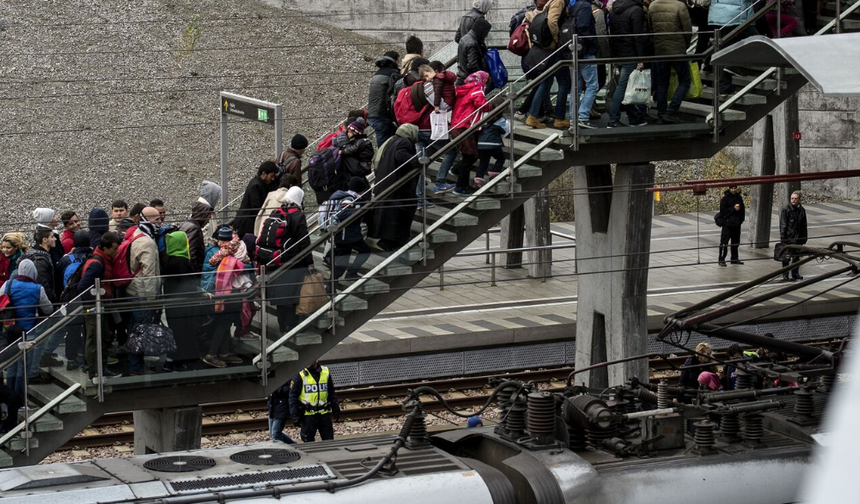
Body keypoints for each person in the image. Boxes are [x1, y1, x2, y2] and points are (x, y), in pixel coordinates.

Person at [2, 259, 54, 395]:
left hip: (10, 330)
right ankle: (20, 400)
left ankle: (10, 396)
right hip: (28, 332)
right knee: (24, 367)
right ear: (33, 272)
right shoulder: (37, 288)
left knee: (12, 365)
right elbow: (48, 309)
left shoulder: (8, 284)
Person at [268, 187, 314, 334]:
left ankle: (282, 326)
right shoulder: (298, 216)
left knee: (281, 296)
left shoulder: (276, 212)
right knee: (293, 294)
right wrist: (309, 261)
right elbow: (304, 241)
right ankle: (292, 327)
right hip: (294, 262)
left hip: (277, 260)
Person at [77, 231, 123, 379]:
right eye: (114, 249)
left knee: (101, 337)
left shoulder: (101, 259)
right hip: (94, 307)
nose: (116, 252)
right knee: (95, 339)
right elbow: (82, 287)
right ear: (105, 248)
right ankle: (95, 371)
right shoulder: (97, 264)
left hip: (99, 305)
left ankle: (99, 369)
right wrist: (94, 303)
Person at [370, 124, 421, 250]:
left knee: (390, 213)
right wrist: (417, 161)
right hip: (396, 186)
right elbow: (401, 155)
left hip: (385, 183)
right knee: (401, 212)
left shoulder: (392, 141)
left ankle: (387, 241)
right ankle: (393, 242)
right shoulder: (404, 142)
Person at [125, 207, 162, 376]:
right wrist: (151, 299)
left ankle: (135, 365)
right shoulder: (147, 242)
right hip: (141, 294)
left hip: (132, 290)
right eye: (156, 220)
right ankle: (136, 368)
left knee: (134, 329)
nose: (160, 222)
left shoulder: (136, 234)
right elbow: (149, 273)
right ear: (146, 220)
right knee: (139, 330)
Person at [524, 0, 571, 130]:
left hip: (548, 50)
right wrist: (557, 39)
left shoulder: (550, 2)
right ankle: (559, 118)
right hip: (554, 49)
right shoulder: (558, 1)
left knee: (546, 81)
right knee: (563, 83)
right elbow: (551, 21)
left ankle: (532, 115)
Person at [162, 230, 203, 370]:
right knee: (185, 334)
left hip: (172, 304)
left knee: (177, 333)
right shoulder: (182, 262)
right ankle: (180, 362)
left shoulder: (168, 259)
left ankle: (171, 361)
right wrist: (200, 293)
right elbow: (188, 283)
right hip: (183, 305)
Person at [649, 0, 693, 124]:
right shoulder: (679, 6)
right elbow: (687, 30)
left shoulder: (653, 6)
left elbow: (651, 28)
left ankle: (661, 113)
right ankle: (672, 110)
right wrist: (685, 45)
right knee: (685, 80)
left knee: (662, 83)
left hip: (660, 49)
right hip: (677, 50)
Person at [607, 0, 650, 127]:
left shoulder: (614, 10)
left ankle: (634, 117)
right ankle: (613, 119)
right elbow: (637, 36)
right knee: (623, 87)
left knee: (626, 87)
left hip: (618, 52)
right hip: (630, 53)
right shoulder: (636, 10)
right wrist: (640, 58)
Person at [324, 177, 371, 290]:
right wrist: (359, 210)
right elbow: (342, 214)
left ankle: (335, 284)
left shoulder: (345, 196)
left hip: (346, 235)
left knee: (343, 261)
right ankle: (332, 287)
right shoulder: (350, 199)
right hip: (347, 236)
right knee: (362, 252)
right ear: (359, 190)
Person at [449, 71, 492, 195]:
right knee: (470, 156)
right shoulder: (477, 89)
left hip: (457, 125)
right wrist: (490, 107)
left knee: (468, 155)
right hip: (465, 126)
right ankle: (461, 186)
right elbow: (481, 104)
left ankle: (457, 170)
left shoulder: (464, 89)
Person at [57, 229, 92, 370]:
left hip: (72, 299)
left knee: (73, 330)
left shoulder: (66, 259)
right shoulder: (92, 256)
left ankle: (71, 359)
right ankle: (86, 360)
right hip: (89, 298)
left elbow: (59, 280)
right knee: (89, 330)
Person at [708, 0, 758, 97]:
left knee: (724, 51)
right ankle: (732, 65)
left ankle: (724, 87)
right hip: (736, 15)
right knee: (757, 41)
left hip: (719, 14)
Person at [289, 359, 340, 442]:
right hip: (308, 415)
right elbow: (292, 397)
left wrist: (335, 408)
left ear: (316, 359)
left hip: (324, 414)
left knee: (329, 442)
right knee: (308, 443)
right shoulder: (300, 374)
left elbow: (331, 392)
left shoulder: (325, 371)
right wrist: (294, 415)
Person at [571, 0, 602, 129]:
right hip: (586, 51)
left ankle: (574, 117)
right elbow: (583, 26)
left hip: (575, 51)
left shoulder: (573, 5)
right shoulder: (585, 6)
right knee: (593, 85)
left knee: (576, 87)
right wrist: (592, 41)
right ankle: (582, 116)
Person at [233, 162, 279, 239]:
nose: (273, 179)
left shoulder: (257, 183)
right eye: (271, 176)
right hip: (246, 225)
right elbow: (256, 208)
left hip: (246, 223)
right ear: (264, 174)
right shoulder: (256, 186)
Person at [367, 50, 401, 147]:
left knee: (397, 136)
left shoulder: (377, 74)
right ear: (394, 61)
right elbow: (397, 91)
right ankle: (381, 161)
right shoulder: (393, 74)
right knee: (383, 148)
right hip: (382, 116)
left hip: (372, 116)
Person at [779, 191, 808, 281]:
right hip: (789, 238)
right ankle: (785, 275)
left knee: (797, 257)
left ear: (799, 200)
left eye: (795, 198)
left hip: (798, 238)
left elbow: (804, 225)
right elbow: (783, 225)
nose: (793, 200)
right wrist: (783, 238)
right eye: (792, 198)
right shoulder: (786, 209)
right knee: (786, 258)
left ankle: (795, 273)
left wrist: (804, 237)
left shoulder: (801, 210)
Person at [455, 18, 492, 86]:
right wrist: (481, 77)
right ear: (481, 30)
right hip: (468, 80)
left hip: (462, 76)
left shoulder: (464, 38)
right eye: (486, 32)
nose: (486, 35)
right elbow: (472, 64)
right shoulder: (472, 43)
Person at [178, 202, 214, 271]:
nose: (208, 222)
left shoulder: (187, 224)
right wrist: (196, 271)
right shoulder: (194, 228)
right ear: (203, 216)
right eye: (208, 218)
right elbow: (191, 252)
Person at [475, 117, 508, 187]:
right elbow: (504, 131)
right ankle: (495, 172)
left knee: (483, 162)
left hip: (481, 144)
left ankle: (479, 179)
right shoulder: (501, 119)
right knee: (501, 158)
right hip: (494, 144)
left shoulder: (484, 119)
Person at [718, 185, 745, 266]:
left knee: (735, 243)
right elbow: (723, 211)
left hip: (736, 224)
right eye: (732, 188)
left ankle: (734, 258)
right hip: (727, 224)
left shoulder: (739, 197)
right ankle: (721, 259)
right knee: (724, 242)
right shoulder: (725, 199)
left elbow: (742, 209)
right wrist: (733, 209)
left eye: (735, 188)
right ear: (729, 189)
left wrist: (741, 220)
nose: (733, 190)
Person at [267, 379, 297, 444]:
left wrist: (279, 390)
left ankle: (291, 444)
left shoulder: (286, 377)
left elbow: (290, 390)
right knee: (273, 434)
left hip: (281, 408)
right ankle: (292, 444)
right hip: (273, 408)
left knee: (275, 434)